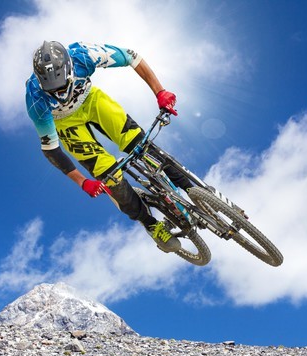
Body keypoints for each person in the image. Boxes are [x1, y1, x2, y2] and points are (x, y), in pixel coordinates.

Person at [25, 40, 193, 252]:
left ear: (70, 69)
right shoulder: (35, 100)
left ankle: (192, 188)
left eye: (63, 86)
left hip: (91, 101)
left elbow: (132, 57)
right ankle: (150, 224)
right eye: (52, 90)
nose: (60, 94)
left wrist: (160, 92)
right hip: (64, 122)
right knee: (109, 176)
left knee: (139, 143)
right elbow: (51, 150)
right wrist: (82, 182)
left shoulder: (84, 56)